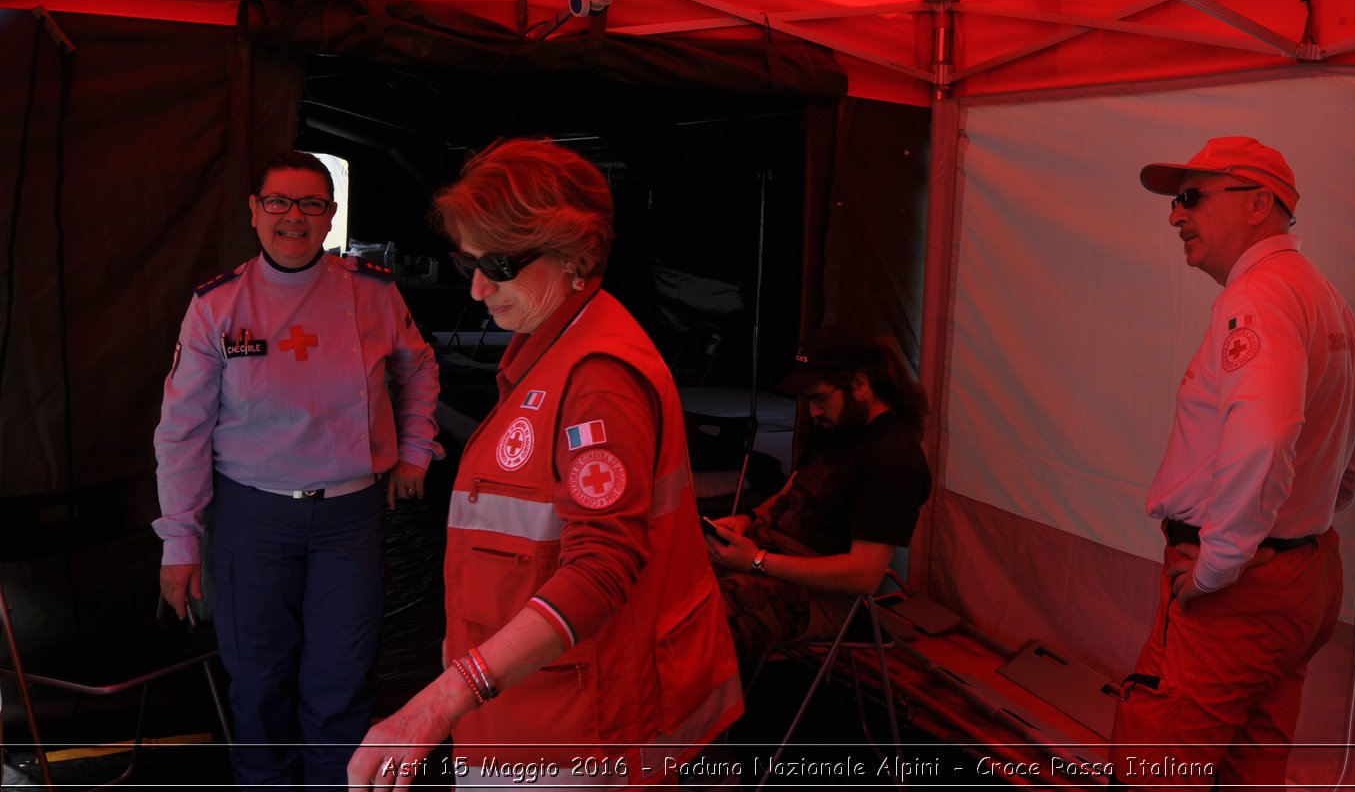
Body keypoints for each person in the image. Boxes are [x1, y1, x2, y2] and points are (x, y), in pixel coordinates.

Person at [347, 139, 742, 790]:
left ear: (577, 255)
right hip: (528, 711)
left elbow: (602, 567)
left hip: (578, 729)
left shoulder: (598, 379)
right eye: (468, 261)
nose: (476, 288)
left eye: (498, 264)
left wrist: (441, 699)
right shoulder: (550, 347)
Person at [152, 149, 441, 789]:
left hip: (349, 516)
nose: (294, 217)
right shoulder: (216, 307)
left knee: (342, 674)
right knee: (257, 677)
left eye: (311, 204)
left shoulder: (371, 293)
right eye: (279, 202)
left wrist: (416, 449)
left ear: (331, 215)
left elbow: (418, 370)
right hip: (249, 518)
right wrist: (179, 539)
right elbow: (182, 430)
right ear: (254, 211)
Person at [1111, 137, 1355, 789]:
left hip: (1240, 591)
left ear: (1260, 202)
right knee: (1251, 761)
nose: (1175, 215)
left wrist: (1219, 562)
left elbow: (1264, 436)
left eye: (1191, 196)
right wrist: (1297, 519)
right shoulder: (1324, 298)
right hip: (1299, 580)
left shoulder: (1259, 295)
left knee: (1155, 769)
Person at [706, 327, 932, 682]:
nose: (812, 412)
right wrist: (746, 520)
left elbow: (863, 576)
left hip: (822, 598)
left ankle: (692, 730)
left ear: (860, 385)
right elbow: (794, 490)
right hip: (771, 561)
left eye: (819, 398)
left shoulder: (893, 459)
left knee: (708, 618)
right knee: (665, 574)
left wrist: (756, 561)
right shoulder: (839, 428)